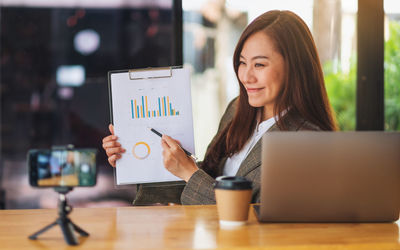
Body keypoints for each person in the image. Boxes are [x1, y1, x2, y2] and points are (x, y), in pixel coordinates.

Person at [102, 10, 337, 205]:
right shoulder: (238, 110)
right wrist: (135, 160)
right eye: (242, 63)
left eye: (260, 64)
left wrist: (188, 172)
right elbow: (209, 178)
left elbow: (255, 214)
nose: (246, 76)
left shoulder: (308, 141)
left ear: (294, 67)